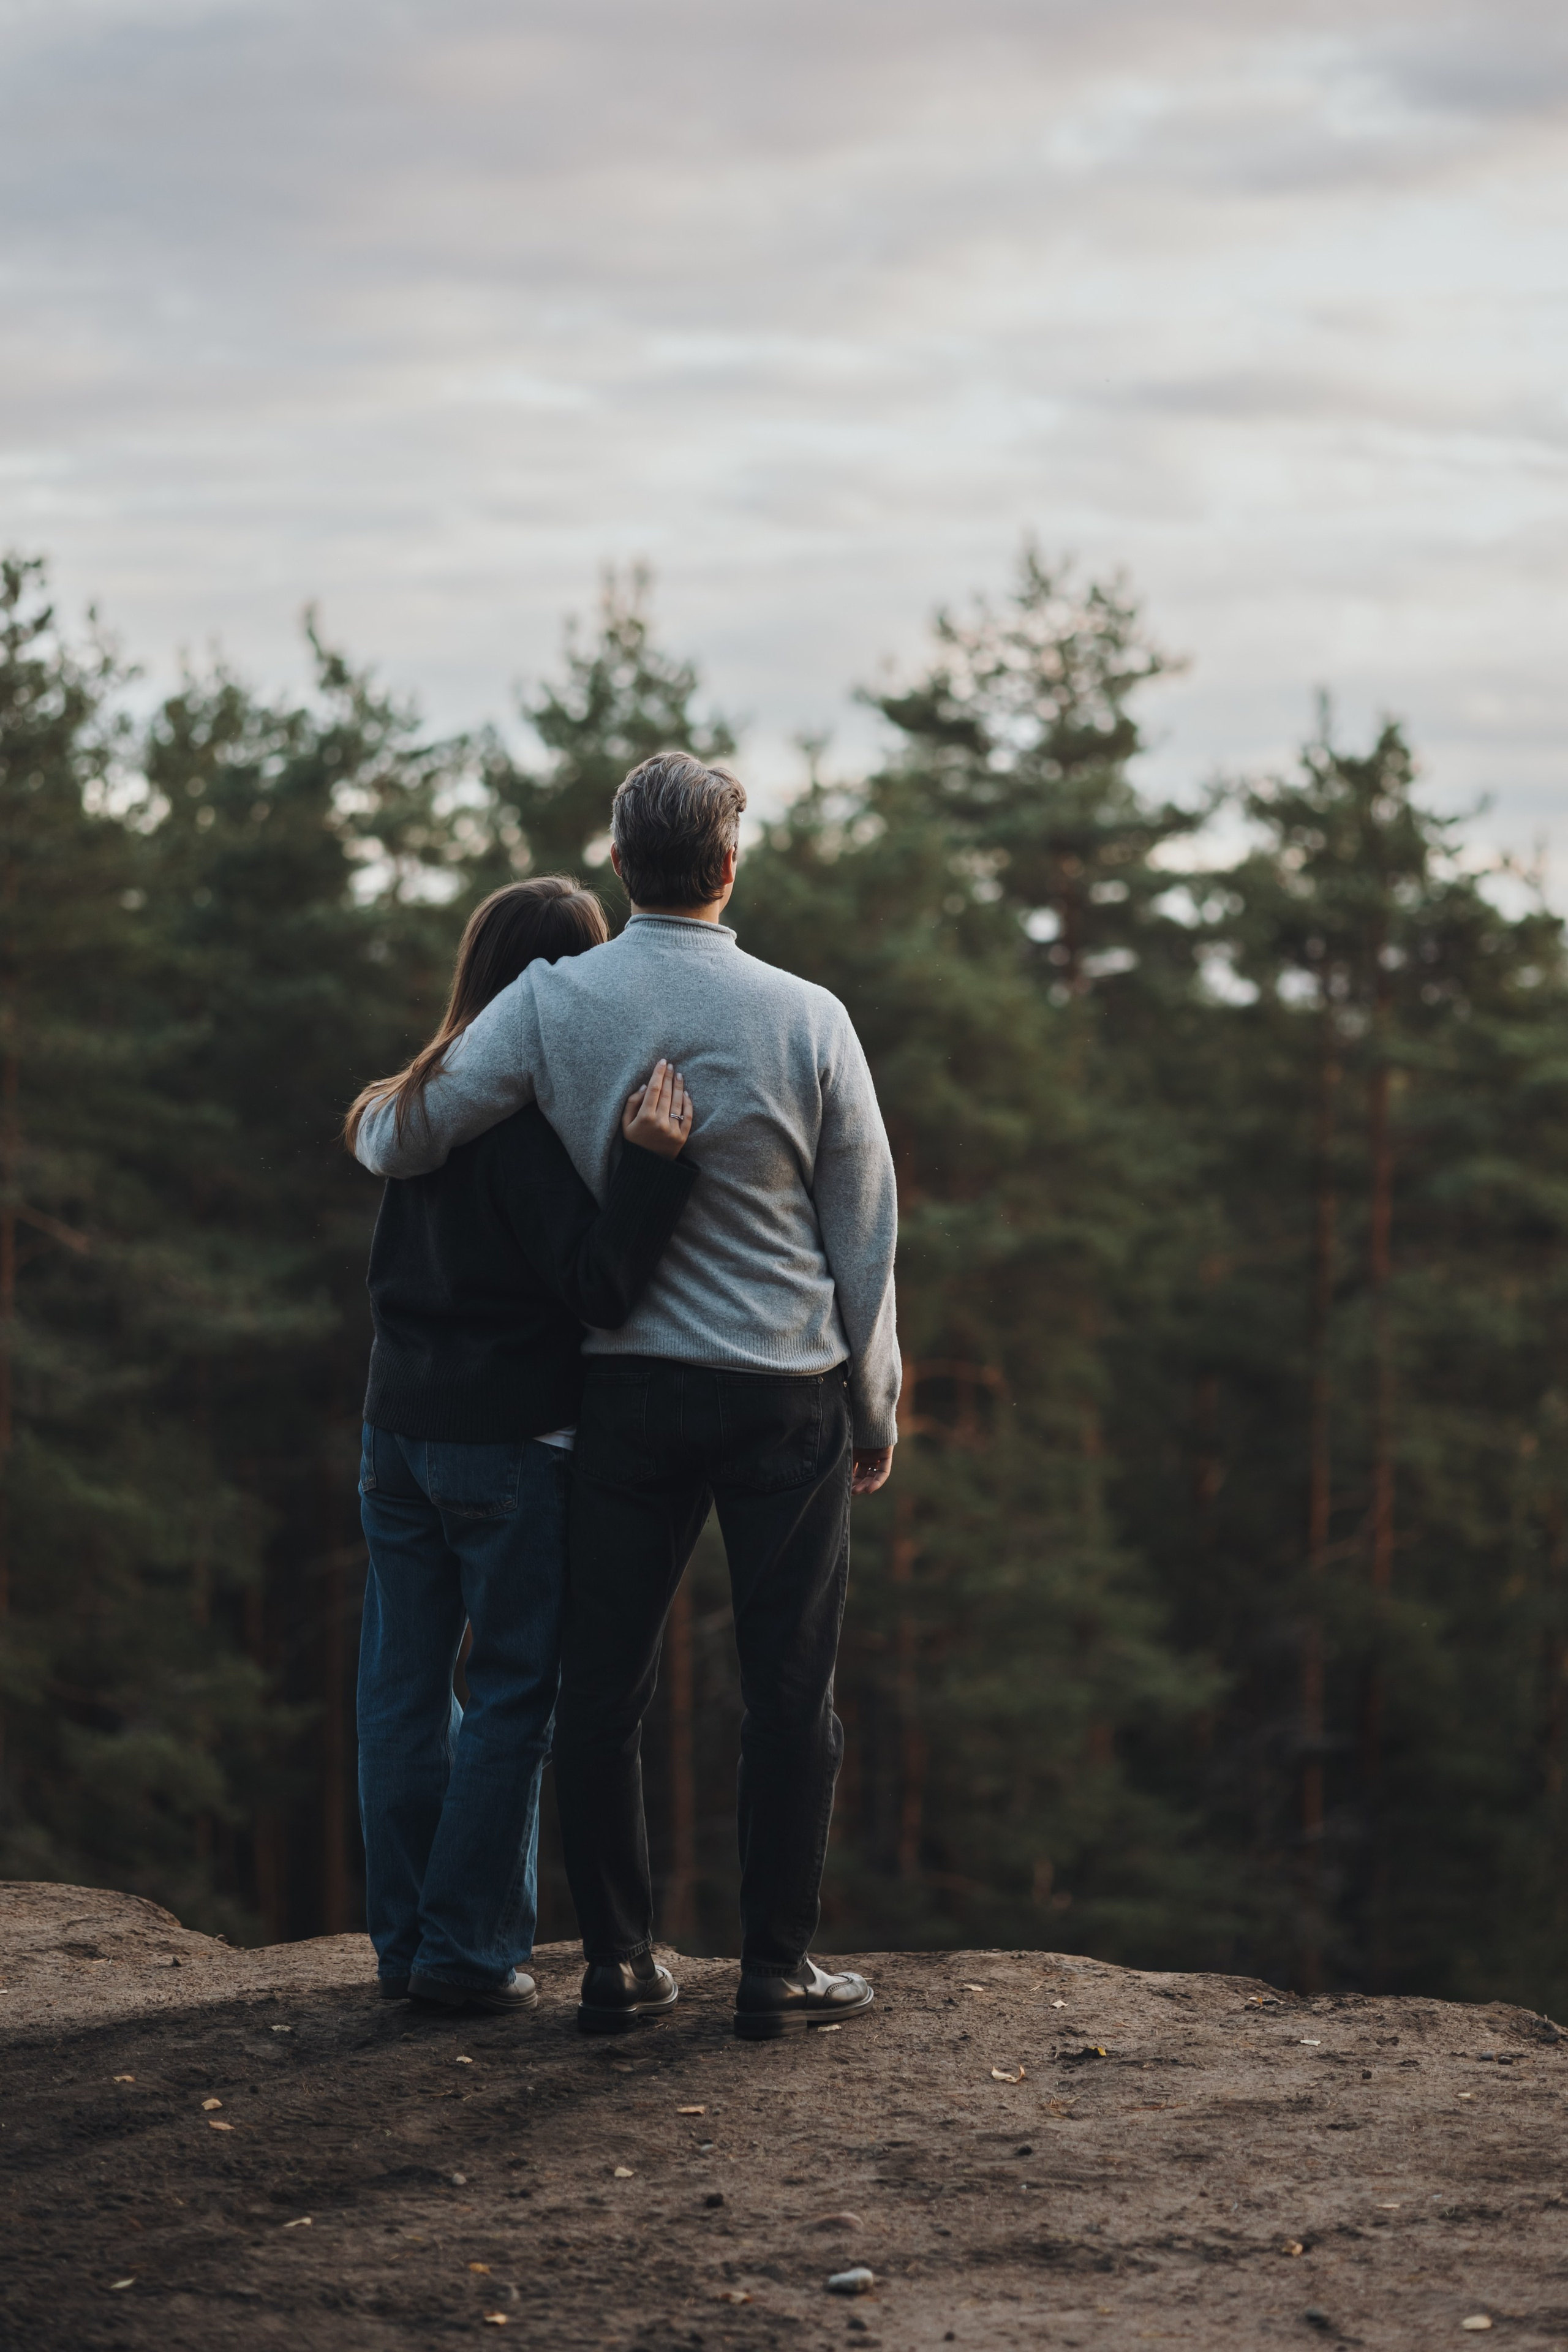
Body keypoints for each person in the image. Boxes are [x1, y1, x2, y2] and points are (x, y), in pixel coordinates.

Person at [354, 752, 900, 2041]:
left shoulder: (549, 1003)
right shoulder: (809, 1015)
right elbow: (863, 1230)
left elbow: (411, 1136)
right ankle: (775, 1971)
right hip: (784, 1393)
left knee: (601, 1690)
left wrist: (378, 1120)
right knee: (788, 1691)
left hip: (625, 1395)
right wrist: (873, 1408)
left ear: (618, 861)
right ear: (729, 866)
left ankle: (617, 1965)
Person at [344, 877, 698, 2016]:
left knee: (400, 1690)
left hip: (395, 1433)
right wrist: (650, 1167)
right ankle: (464, 1955)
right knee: (510, 1697)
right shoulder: (526, 1130)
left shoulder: (421, 1111)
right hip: (507, 1442)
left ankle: (404, 1946)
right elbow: (599, 1287)